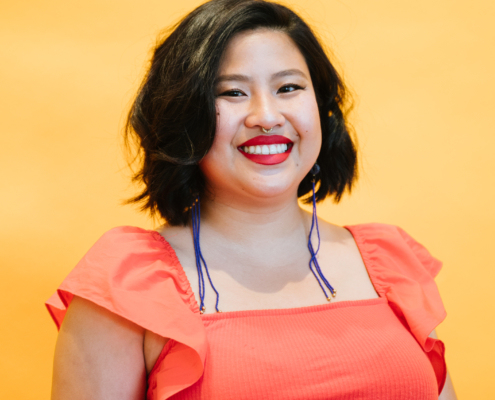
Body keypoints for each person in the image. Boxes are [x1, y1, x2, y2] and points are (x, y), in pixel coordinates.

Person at [46, 0, 457, 399]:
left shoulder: (393, 263)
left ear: (322, 108)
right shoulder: (125, 285)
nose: (267, 115)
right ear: (183, 117)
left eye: (289, 87)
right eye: (232, 93)